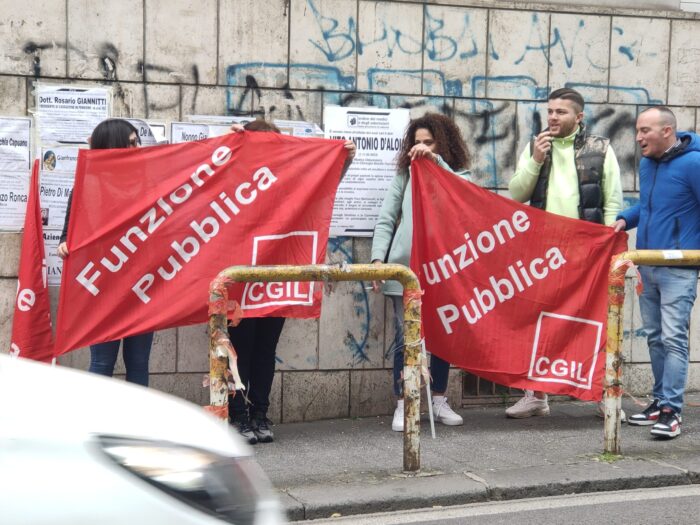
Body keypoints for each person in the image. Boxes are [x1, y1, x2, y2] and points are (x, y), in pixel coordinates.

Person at [228, 120, 356, 444]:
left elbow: (321, 187)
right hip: (239, 284)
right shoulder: (236, 176)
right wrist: (229, 146)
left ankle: (259, 413)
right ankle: (238, 416)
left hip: (276, 279)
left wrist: (344, 158)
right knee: (238, 351)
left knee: (264, 351)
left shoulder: (289, 180)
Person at [506, 88, 624, 419]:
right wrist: (536, 159)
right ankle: (535, 395)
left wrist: (610, 246)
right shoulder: (535, 146)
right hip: (545, 253)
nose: (553, 117)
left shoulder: (601, 149)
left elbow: (612, 199)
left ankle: (604, 395)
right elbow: (516, 194)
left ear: (579, 117)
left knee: (596, 322)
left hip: (588, 254)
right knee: (537, 321)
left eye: (561, 112)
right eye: (550, 111)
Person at [371, 112, 469, 432]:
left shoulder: (455, 174)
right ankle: (404, 403)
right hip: (405, 269)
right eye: (417, 143)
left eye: (429, 142)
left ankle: (438, 399)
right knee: (405, 339)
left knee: (441, 339)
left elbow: (465, 193)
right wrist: (377, 262)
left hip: (443, 270)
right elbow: (386, 218)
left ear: (443, 144)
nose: (422, 148)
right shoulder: (405, 175)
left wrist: (436, 163)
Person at [612, 106, 700, 439]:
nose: (638, 137)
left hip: (679, 269)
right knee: (656, 338)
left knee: (674, 338)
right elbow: (649, 207)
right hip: (647, 266)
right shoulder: (649, 165)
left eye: (645, 130)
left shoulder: (694, 164)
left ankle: (672, 412)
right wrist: (624, 218)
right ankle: (660, 401)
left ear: (667, 131)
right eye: (637, 130)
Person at [58, 119, 153, 387]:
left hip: (141, 288)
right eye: (132, 142)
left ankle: (135, 428)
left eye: (138, 142)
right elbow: (67, 234)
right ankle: (97, 425)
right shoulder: (87, 186)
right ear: (113, 145)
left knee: (138, 363)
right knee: (102, 362)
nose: (138, 148)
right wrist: (65, 245)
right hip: (103, 288)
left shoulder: (147, 183)